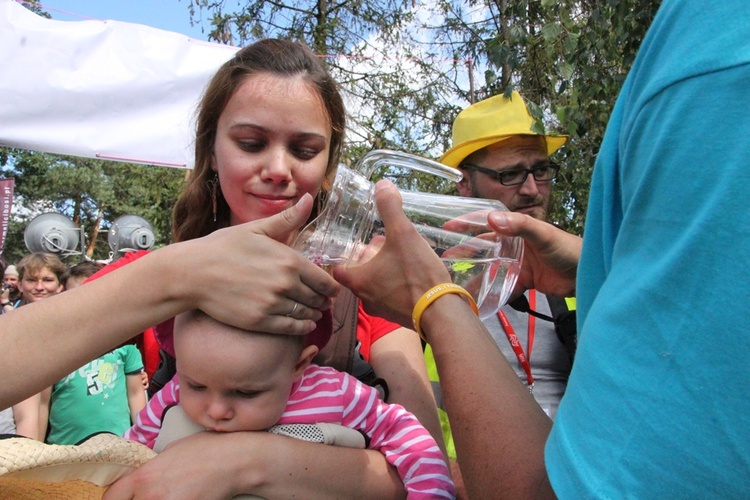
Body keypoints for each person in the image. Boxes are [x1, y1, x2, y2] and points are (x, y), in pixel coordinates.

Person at [334, 0, 750, 496]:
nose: (531, 190)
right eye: (510, 174)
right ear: (462, 187)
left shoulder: (567, 281)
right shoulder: (410, 284)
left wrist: (591, 270)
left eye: (541, 170)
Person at [101, 38, 441, 497]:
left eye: (303, 150)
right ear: (212, 153)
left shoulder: (366, 285)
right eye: (251, 143)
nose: (278, 168)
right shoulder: (149, 275)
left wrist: (249, 460)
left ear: (327, 167)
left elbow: (420, 464)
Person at [126, 309, 454, 498]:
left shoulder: (336, 393)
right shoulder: (173, 391)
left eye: (245, 393)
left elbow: (408, 438)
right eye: (195, 385)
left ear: (298, 366)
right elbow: (130, 453)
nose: (216, 410)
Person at [40, 261, 147, 445]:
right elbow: (43, 403)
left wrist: (144, 441)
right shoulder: (53, 343)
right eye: (77, 295)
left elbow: (136, 394)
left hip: (116, 447)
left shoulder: (125, 340)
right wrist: (36, 448)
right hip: (64, 449)